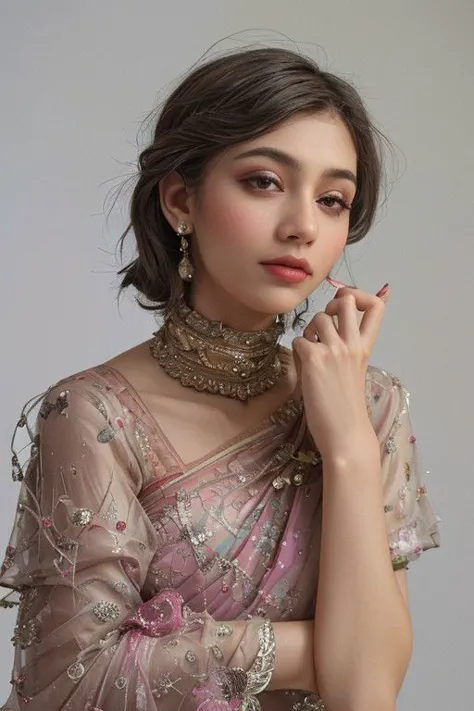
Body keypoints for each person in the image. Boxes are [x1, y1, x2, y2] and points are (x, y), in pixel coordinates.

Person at [0, 45, 441, 711]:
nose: (302, 227)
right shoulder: (94, 416)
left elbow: (368, 692)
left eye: (332, 199)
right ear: (181, 199)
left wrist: (347, 445)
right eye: (264, 181)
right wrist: (321, 645)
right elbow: (74, 680)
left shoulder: (368, 403)